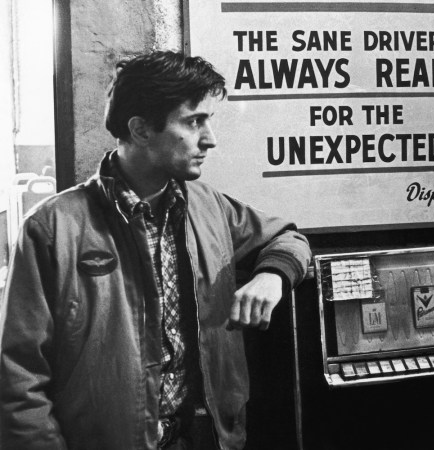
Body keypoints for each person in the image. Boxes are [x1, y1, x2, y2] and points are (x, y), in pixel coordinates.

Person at [0, 50, 311, 450]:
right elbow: (18, 379)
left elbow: (287, 238)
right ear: (142, 130)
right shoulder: (52, 228)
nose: (210, 139)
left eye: (208, 121)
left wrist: (273, 275)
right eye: (194, 121)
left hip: (208, 439)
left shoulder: (207, 204)